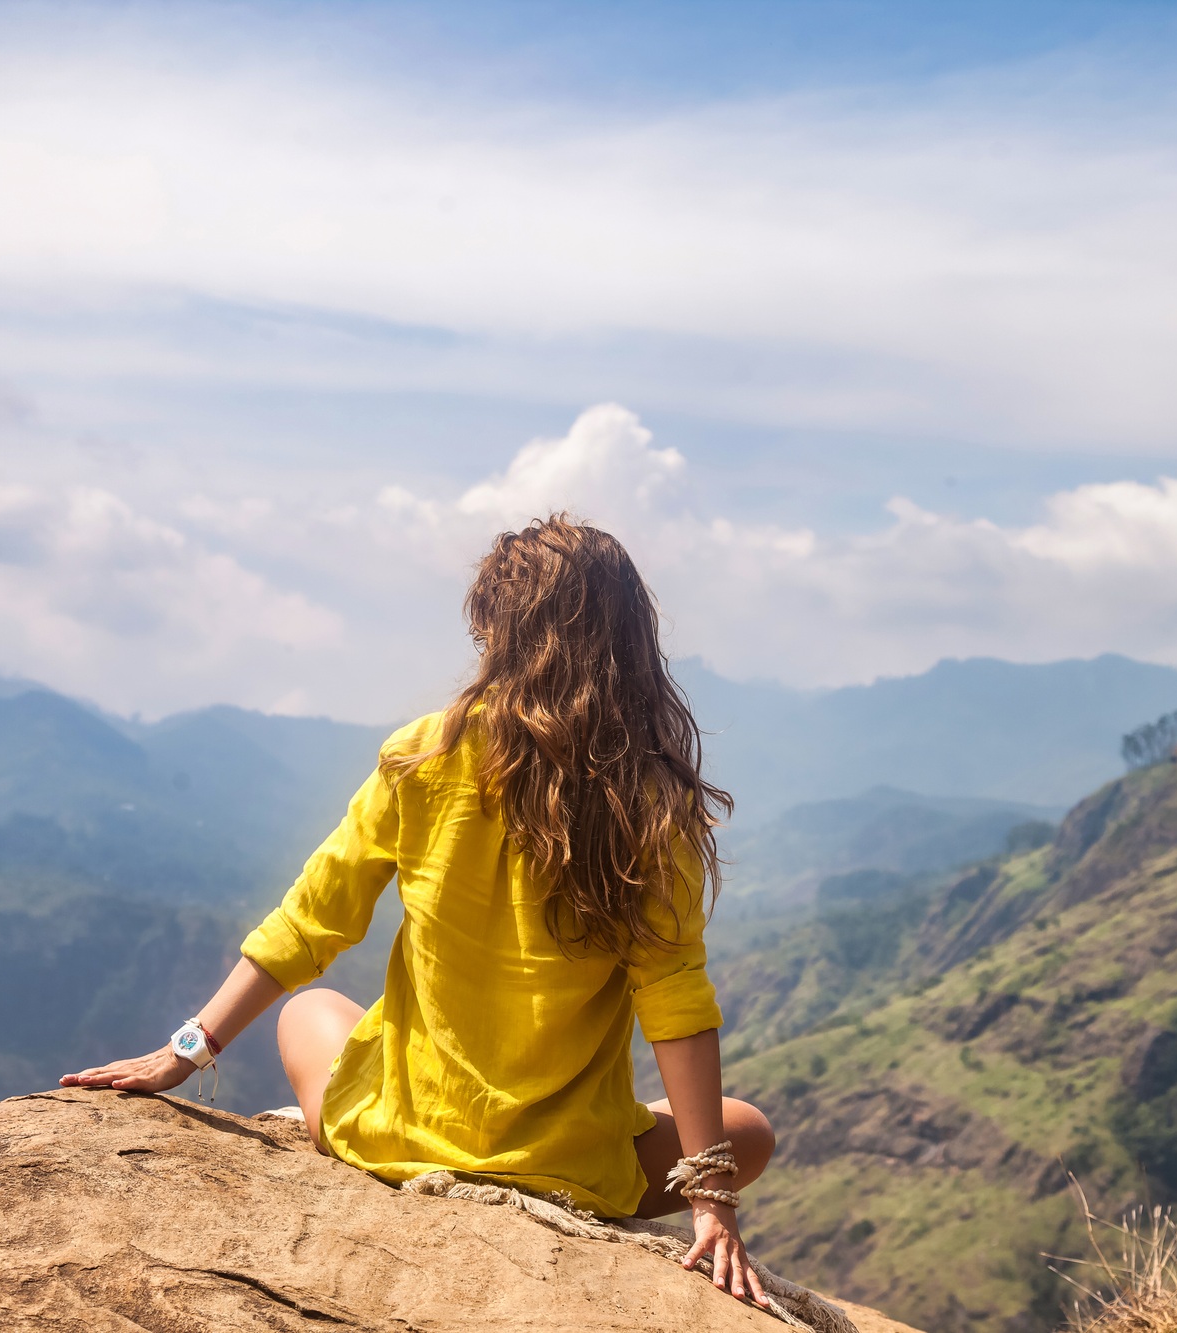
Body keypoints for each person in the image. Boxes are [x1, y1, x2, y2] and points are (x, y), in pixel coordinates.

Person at [61, 515, 775, 1302]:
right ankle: (574, 1129)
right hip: (564, 1163)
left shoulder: (424, 755)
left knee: (312, 1009)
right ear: (630, 644)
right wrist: (712, 1198)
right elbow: (676, 999)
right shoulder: (646, 803)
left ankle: (359, 1117)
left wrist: (186, 1051)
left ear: (498, 635)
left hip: (395, 1135)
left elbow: (310, 920)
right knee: (746, 1130)